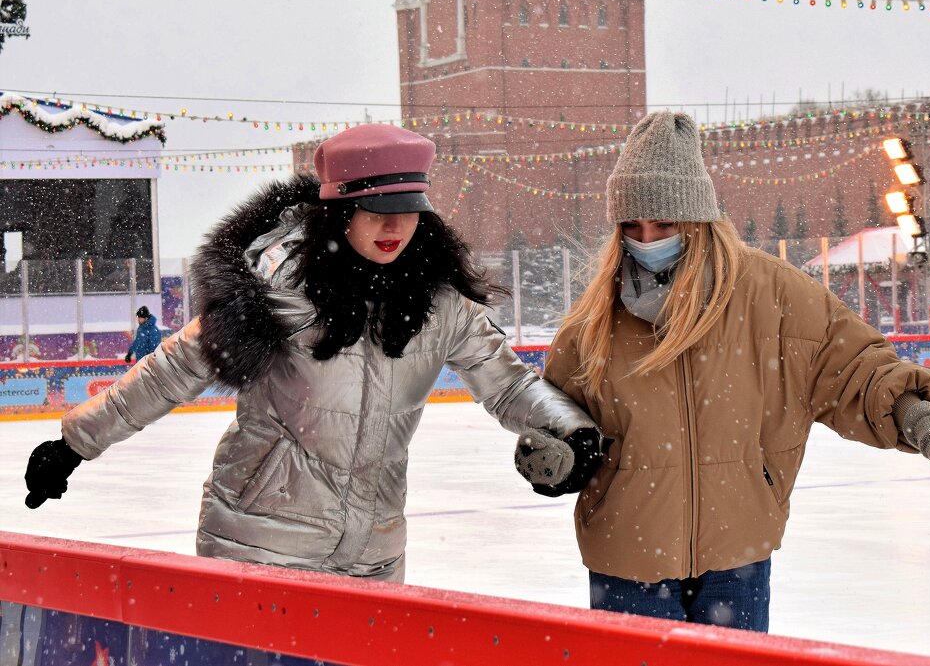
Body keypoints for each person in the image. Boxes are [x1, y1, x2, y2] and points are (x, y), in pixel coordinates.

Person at [24, 123, 604, 582]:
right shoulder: (279, 287)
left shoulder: (437, 303)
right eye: (374, 209)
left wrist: (569, 431)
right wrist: (75, 442)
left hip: (374, 552)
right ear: (339, 210)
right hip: (260, 543)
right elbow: (174, 370)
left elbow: (507, 383)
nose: (393, 225)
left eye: (407, 208)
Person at [517, 110, 930, 632]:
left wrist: (915, 413)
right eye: (632, 225)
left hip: (737, 550)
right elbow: (556, 414)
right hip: (626, 555)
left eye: (665, 223)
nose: (647, 238)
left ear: (698, 219)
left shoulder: (776, 296)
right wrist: (557, 456)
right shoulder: (596, 317)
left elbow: (855, 368)